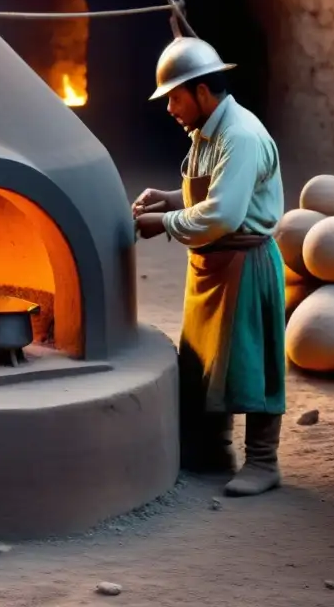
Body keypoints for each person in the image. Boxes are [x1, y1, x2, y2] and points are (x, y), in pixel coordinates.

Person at [132, 35, 286, 497]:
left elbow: (223, 214)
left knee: (251, 363)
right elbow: (213, 192)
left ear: (202, 92)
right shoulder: (208, 133)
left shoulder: (239, 135)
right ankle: (216, 451)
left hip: (245, 262)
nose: (170, 108)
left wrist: (164, 221)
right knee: (205, 363)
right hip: (212, 265)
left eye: (175, 97)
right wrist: (171, 197)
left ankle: (264, 461)